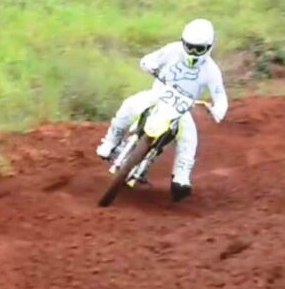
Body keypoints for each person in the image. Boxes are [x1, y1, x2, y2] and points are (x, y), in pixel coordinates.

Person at [96, 18, 229, 201]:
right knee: (128, 106)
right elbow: (150, 59)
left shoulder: (212, 70)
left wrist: (217, 110)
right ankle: (111, 141)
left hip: (181, 110)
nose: (193, 52)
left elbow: (220, 96)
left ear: (208, 47)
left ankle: (181, 177)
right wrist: (148, 65)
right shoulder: (172, 50)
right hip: (157, 96)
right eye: (189, 46)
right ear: (183, 42)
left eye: (199, 49)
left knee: (189, 140)